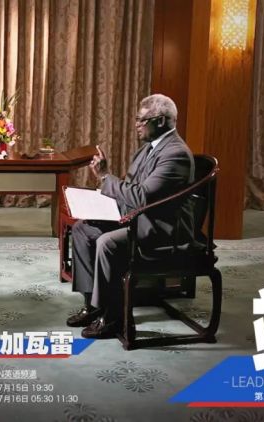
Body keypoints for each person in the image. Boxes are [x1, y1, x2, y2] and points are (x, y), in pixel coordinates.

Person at [67, 94, 196, 339]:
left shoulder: (176, 154)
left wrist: (105, 177)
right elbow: (130, 191)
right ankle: (94, 306)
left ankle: (114, 317)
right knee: (83, 229)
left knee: (107, 243)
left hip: (162, 230)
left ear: (160, 121)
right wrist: (101, 206)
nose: (136, 124)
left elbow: (142, 197)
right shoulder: (146, 150)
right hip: (138, 219)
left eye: (140, 120)